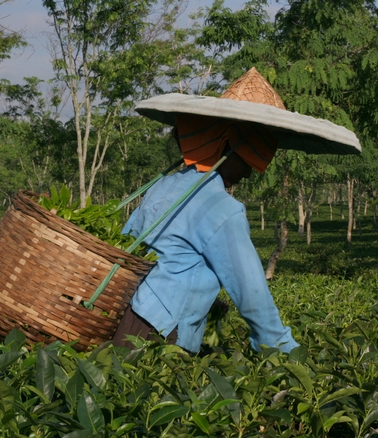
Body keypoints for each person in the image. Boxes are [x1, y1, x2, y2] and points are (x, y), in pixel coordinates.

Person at [112, 67, 361, 354]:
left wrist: (202, 297)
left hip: (129, 321)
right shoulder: (222, 208)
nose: (253, 171)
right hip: (164, 336)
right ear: (229, 143)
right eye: (252, 157)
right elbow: (252, 295)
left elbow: (142, 253)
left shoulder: (164, 186)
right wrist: (286, 354)